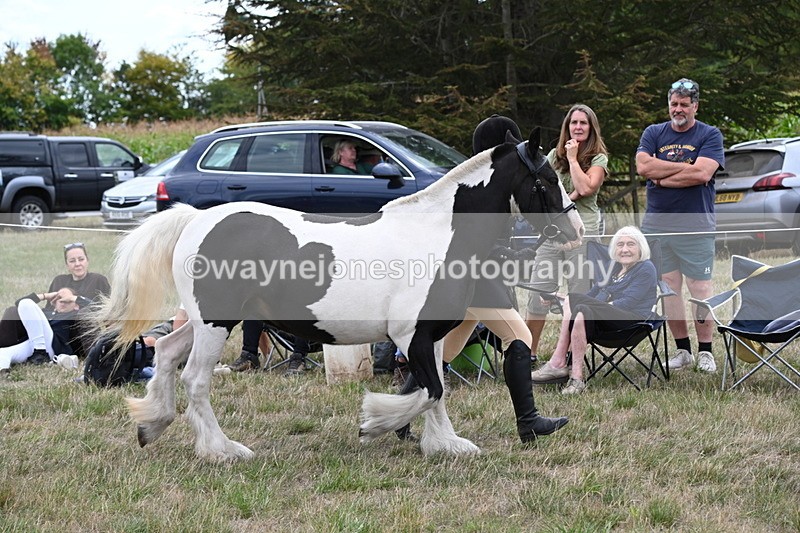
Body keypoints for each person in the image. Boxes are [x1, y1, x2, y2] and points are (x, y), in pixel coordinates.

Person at [396, 114, 569, 444]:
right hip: (474, 277)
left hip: (474, 277)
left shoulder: (490, 181)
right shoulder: (480, 187)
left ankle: (399, 416)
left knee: (443, 353)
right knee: (519, 337)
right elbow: (472, 243)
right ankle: (528, 420)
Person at [635, 78, 724, 372]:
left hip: (696, 225)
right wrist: (686, 167)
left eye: (684, 104)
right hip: (658, 226)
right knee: (670, 288)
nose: (678, 109)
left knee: (700, 288)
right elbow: (643, 167)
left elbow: (702, 174)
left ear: (695, 106)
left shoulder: (710, 134)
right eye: (674, 103)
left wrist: (662, 177)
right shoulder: (653, 132)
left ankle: (706, 351)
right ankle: (683, 350)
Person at [525, 104, 608, 362]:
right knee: (538, 292)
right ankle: (529, 353)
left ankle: (573, 356)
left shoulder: (598, 159)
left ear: (591, 128)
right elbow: (541, 190)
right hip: (553, 233)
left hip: (583, 232)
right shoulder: (552, 156)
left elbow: (587, 188)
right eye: (574, 123)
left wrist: (573, 159)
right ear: (567, 127)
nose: (578, 127)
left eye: (584, 123)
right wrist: (566, 198)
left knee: (578, 297)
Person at [531, 226, 658, 393]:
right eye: (620, 245)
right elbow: (590, 296)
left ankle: (558, 362)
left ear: (641, 248)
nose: (624, 249)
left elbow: (627, 303)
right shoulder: (613, 268)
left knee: (577, 302)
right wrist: (558, 297)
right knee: (581, 308)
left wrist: (586, 304)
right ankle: (576, 378)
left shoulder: (646, 268)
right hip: (604, 322)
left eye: (630, 244)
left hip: (632, 323)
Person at [0, 242, 111, 361]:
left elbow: (105, 309)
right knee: (12, 311)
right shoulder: (59, 281)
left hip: (76, 333)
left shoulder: (98, 280)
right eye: (72, 261)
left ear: (87, 260)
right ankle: (6, 346)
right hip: (50, 332)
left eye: (81, 259)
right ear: (67, 265)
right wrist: (44, 296)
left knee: (85, 313)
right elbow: (44, 310)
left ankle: (95, 359)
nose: (77, 264)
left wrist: (75, 299)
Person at [0, 288, 83, 372]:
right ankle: (3, 373)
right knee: (3, 352)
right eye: (59, 299)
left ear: (76, 306)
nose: (63, 302)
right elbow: (19, 304)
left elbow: (94, 308)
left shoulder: (75, 315)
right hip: (34, 343)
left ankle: (41, 352)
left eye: (68, 301)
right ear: (54, 303)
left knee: (26, 302)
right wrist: (45, 296)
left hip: (54, 346)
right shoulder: (45, 313)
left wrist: (73, 298)